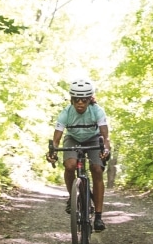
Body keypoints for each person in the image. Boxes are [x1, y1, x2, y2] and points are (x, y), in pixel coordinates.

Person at [46, 78, 111, 231]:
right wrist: (52, 152)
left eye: (84, 100)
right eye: (76, 100)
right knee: (70, 166)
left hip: (94, 139)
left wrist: (106, 150)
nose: (80, 103)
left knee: (96, 169)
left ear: (90, 99)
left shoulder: (97, 111)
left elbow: (105, 136)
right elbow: (56, 139)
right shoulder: (65, 113)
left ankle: (99, 218)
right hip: (73, 138)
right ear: (72, 100)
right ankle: (73, 196)